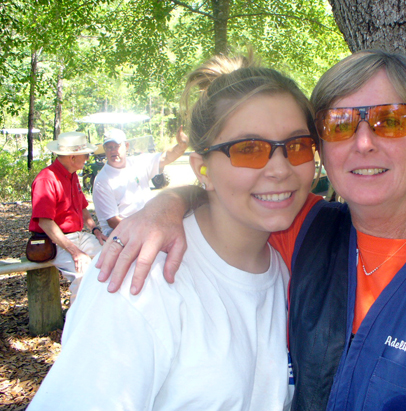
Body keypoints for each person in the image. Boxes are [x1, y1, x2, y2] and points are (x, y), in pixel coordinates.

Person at [97, 50, 406, 411]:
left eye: (391, 120)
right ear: (322, 150)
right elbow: (238, 191)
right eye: (340, 125)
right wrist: (166, 205)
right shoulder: (300, 230)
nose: (364, 142)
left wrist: (166, 204)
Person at [27, 54, 318, 410]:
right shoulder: (139, 280)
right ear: (202, 169)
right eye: (249, 149)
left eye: (298, 145)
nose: (280, 168)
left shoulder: (292, 268)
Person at [29, 131, 107, 297]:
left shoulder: (72, 176)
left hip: (78, 236)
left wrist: (96, 230)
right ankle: (78, 312)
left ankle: (105, 307)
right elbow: (45, 222)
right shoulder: (46, 179)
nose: (87, 159)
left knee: (111, 254)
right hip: (55, 241)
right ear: (72, 158)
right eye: (86, 155)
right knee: (83, 276)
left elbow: (83, 208)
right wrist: (75, 252)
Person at [92, 126, 188, 236]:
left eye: (116, 146)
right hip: (122, 235)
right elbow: (113, 221)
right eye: (109, 147)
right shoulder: (102, 180)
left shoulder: (138, 163)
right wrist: (146, 229)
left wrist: (182, 146)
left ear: (126, 146)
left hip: (149, 225)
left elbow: (165, 157)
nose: (113, 151)